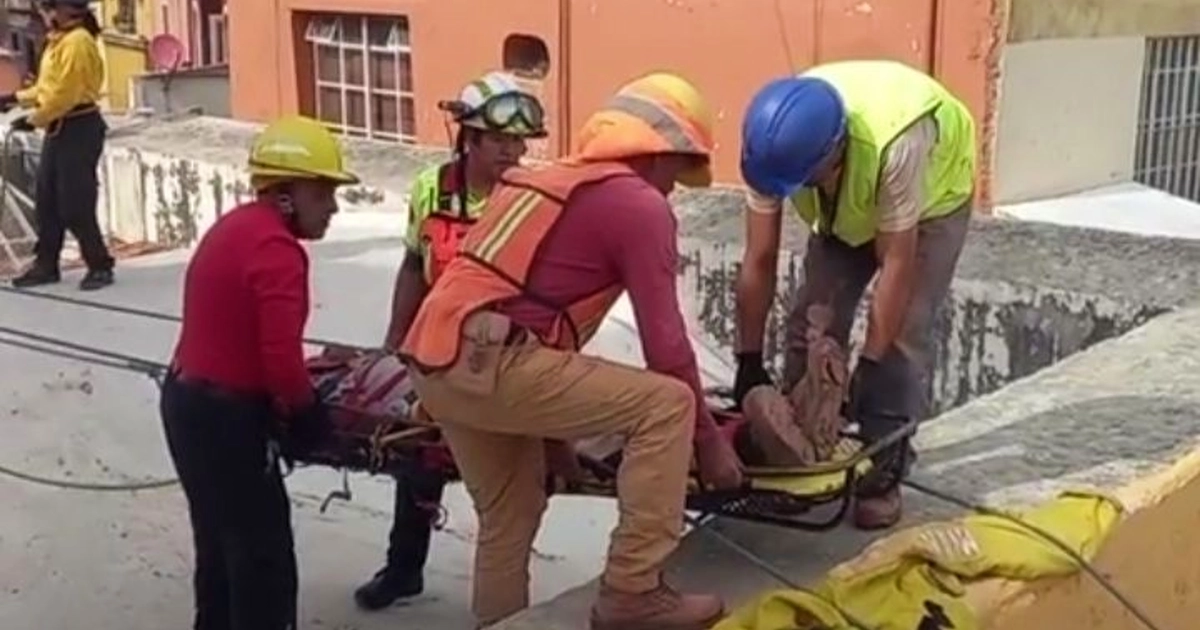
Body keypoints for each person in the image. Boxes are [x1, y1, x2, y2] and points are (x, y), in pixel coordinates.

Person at [397, 72, 744, 630]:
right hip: (493, 359)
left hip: (436, 363)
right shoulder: (638, 205)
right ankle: (634, 591)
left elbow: (529, 313)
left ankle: (499, 623)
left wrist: (556, 442)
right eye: (679, 170)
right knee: (667, 404)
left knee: (510, 514)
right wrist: (709, 445)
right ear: (657, 153)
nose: (675, 187)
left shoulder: (549, 180)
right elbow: (667, 347)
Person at [733, 60, 976, 530]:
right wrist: (747, 358)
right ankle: (799, 454)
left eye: (804, 181)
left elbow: (898, 265)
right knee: (812, 319)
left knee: (902, 335)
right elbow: (758, 257)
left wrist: (869, 363)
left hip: (929, 204)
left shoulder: (898, 142)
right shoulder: (771, 145)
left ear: (835, 157)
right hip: (846, 202)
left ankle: (884, 468)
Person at [355, 71, 548, 611]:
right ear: (470, 138)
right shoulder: (430, 191)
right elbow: (414, 265)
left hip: (505, 354)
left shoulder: (533, 198)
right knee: (418, 457)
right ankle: (402, 569)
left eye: (519, 142)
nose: (513, 151)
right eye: (501, 140)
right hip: (438, 349)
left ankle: (505, 587)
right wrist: (396, 339)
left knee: (511, 483)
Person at [160, 115, 358, 630]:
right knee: (262, 555)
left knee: (218, 540)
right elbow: (281, 360)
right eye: (323, 194)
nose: (333, 208)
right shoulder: (277, 251)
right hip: (227, 418)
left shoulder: (236, 226)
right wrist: (307, 414)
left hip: (186, 403)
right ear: (287, 194)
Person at [3, 0, 114, 291]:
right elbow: (48, 87)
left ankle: (99, 264)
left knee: (76, 201)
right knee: (47, 200)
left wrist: (35, 119)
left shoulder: (77, 42)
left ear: (63, 10)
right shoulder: (58, 42)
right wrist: (16, 98)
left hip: (79, 125)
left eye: (47, 9)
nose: (44, 15)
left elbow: (67, 93)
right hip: (59, 127)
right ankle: (46, 264)